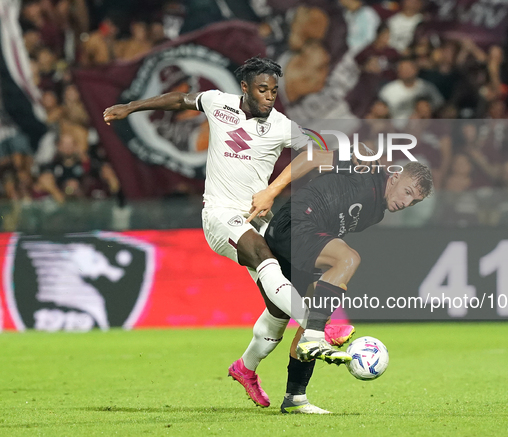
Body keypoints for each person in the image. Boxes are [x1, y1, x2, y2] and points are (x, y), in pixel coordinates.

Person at [102, 56, 354, 404]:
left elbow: (319, 150)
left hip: (256, 219)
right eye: (263, 90)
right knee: (265, 256)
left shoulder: (282, 126)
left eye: (274, 91)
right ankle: (318, 327)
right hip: (220, 215)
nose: (270, 97)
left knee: (278, 308)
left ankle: (245, 368)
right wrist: (130, 107)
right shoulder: (218, 103)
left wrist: (344, 163)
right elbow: (179, 99)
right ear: (245, 88)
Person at [235, 161, 432, 414]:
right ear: (394, 177)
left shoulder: (377, 212)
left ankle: (294, 397)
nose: (406, 203)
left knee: (307, 318)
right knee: (348, 259)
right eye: (407, 192)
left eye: (414, 202)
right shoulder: (365, 174)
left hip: (306, 238)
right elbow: (320, 157)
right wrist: (356, 155)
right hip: (294, 226)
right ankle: (315, 338)